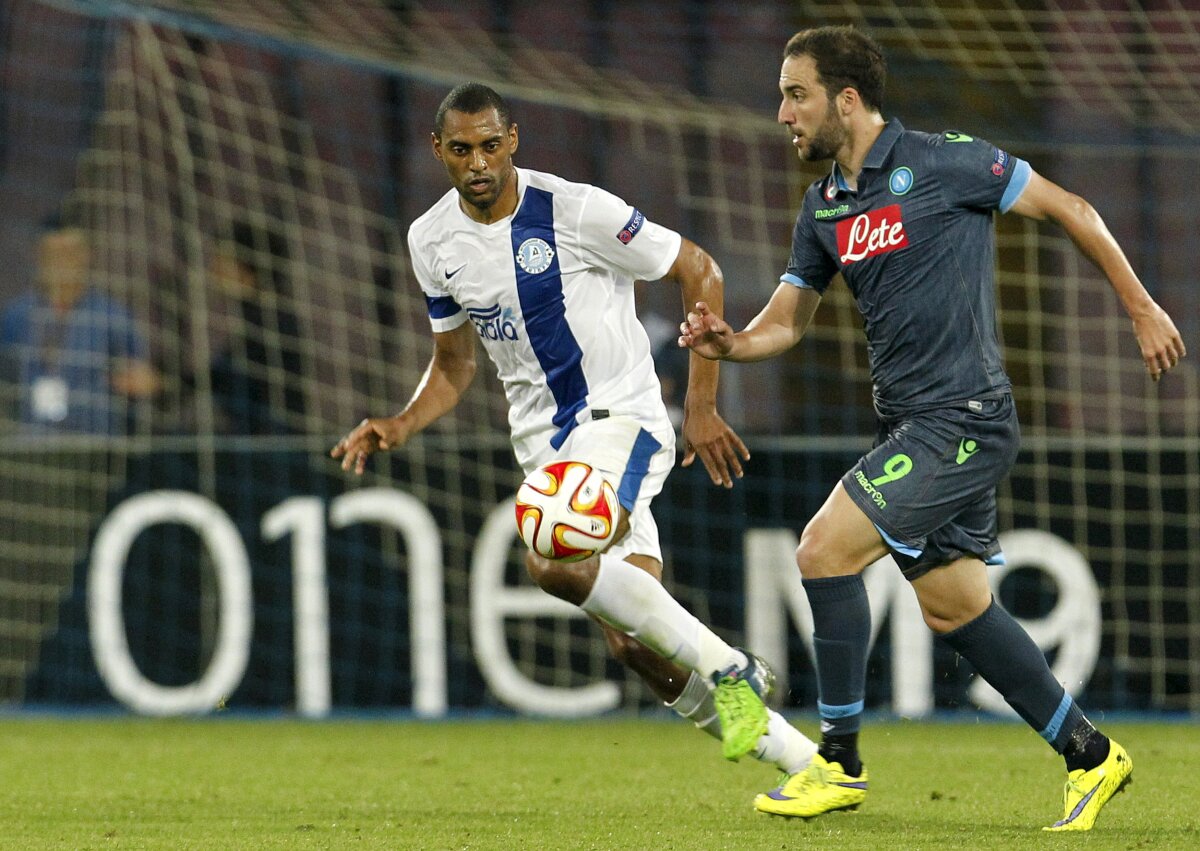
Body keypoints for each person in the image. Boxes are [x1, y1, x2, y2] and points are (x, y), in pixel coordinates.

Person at [679, 26, 1185, 831]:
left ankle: (837, 762)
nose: (782, 113)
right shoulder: (825, 206)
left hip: (966, 417)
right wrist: (730, 343)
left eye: (795, 93)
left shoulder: (949, 162)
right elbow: (788, 321)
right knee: (955, 608)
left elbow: (1073, 208)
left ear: (846, 99)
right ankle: (1091, 754)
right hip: (914, 421)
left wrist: (1140, 304)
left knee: (820, 550)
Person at [332, 82, 818, 782]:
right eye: (462, 149)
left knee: (552, 558)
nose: (479, 163)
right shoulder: (430, 241)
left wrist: (702, 404)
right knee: (630, 643)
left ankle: (732, 667)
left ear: (514, 140)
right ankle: (804, 761)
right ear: (438, 149)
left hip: (620, 417)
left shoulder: (575, 209)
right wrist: (400, 421)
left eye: (492, 146)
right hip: (544, 451)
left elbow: (698, 269)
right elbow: (455, 360)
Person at [0, 216, 158, 434]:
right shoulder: (16, 316)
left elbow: (141, 375)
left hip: (97, 443)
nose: (64, 262)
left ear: (87, 255)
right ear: (40, 257)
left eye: (72, 253)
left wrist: (140, 381)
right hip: (32, 440)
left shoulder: (112, 316)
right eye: (55, 254)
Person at [198, 219, 307, 435]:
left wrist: (168, 383)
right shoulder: (260, 316)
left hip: (270, 446)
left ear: (247, 269)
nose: (214, 270)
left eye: (222, 262)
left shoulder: (272, 322)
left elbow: (224, 375)